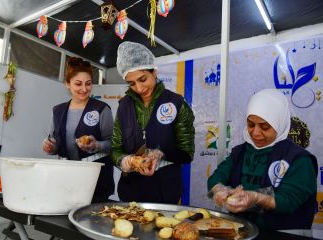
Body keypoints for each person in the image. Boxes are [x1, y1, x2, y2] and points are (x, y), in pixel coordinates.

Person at [208, 89, 317, 235]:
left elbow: (288, 200)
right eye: (251, 125)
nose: (256, 133)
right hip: (243, 232)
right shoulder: (240, 152)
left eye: (265, 127)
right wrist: (220, 190)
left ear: (279, 123)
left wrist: (255, 198)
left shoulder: (299, 159)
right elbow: (216, 178)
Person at [111, 41, 195, 204]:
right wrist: (124, 161)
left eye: (143, 79)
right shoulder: (124, 106)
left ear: (154, 71)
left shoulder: (176, 103)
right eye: (132, 83)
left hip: (165, 192)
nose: (139, 88)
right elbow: (115, 149)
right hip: (130, 192)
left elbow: (187, 153)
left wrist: (161, 154)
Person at [43, 57, 114, 203]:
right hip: (67, 178)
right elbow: (54, 142)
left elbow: (114, 145)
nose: (84, 89)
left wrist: (97, 146)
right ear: (67, 84)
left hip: (96, 180)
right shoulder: (58, 111)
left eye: (88, 84)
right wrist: (50, 147)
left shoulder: (101, 109)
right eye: (78, 84)